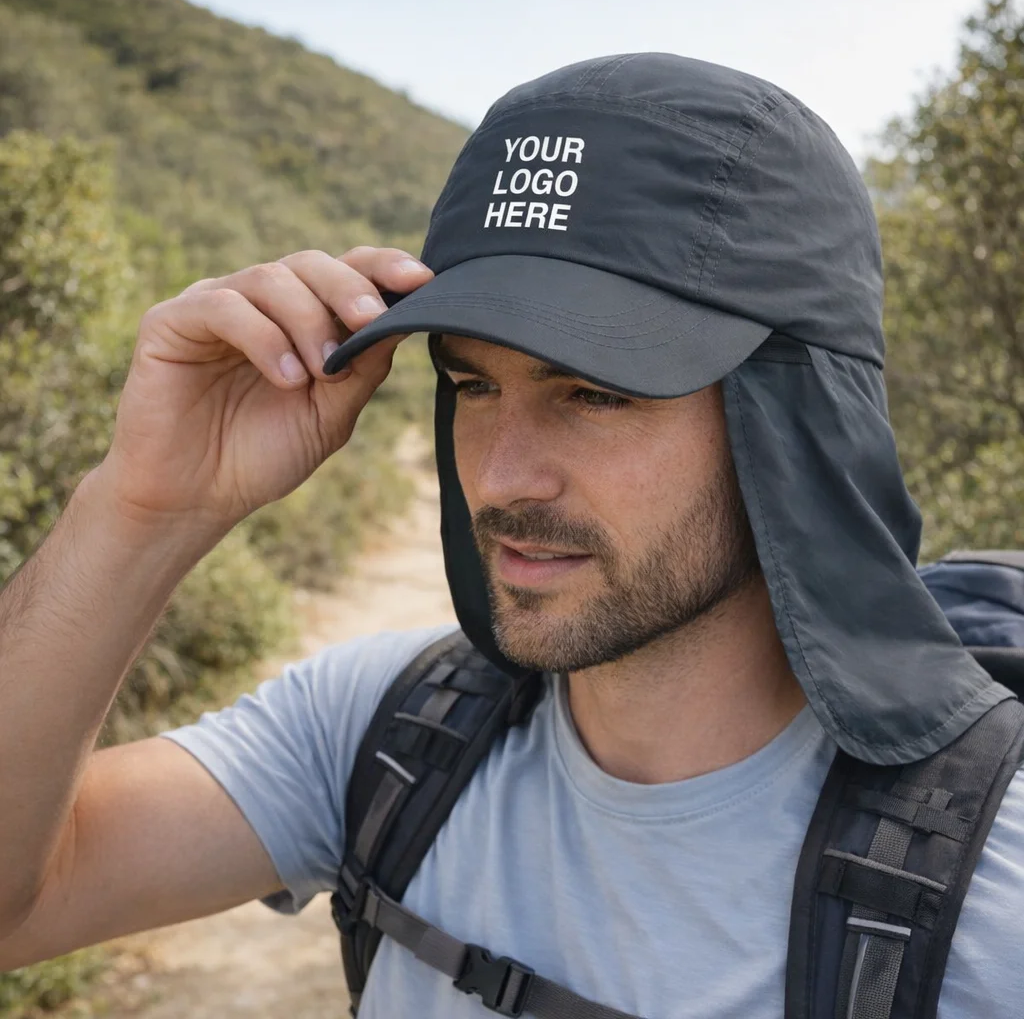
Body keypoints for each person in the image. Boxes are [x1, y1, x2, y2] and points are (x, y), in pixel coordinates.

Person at [0, 52, 1021, 1018]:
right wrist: (143, 506)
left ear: (793, 422)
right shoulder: (385, 732)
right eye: (471, 382)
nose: (497, 474)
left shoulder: (992, 893)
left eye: (599, 392)